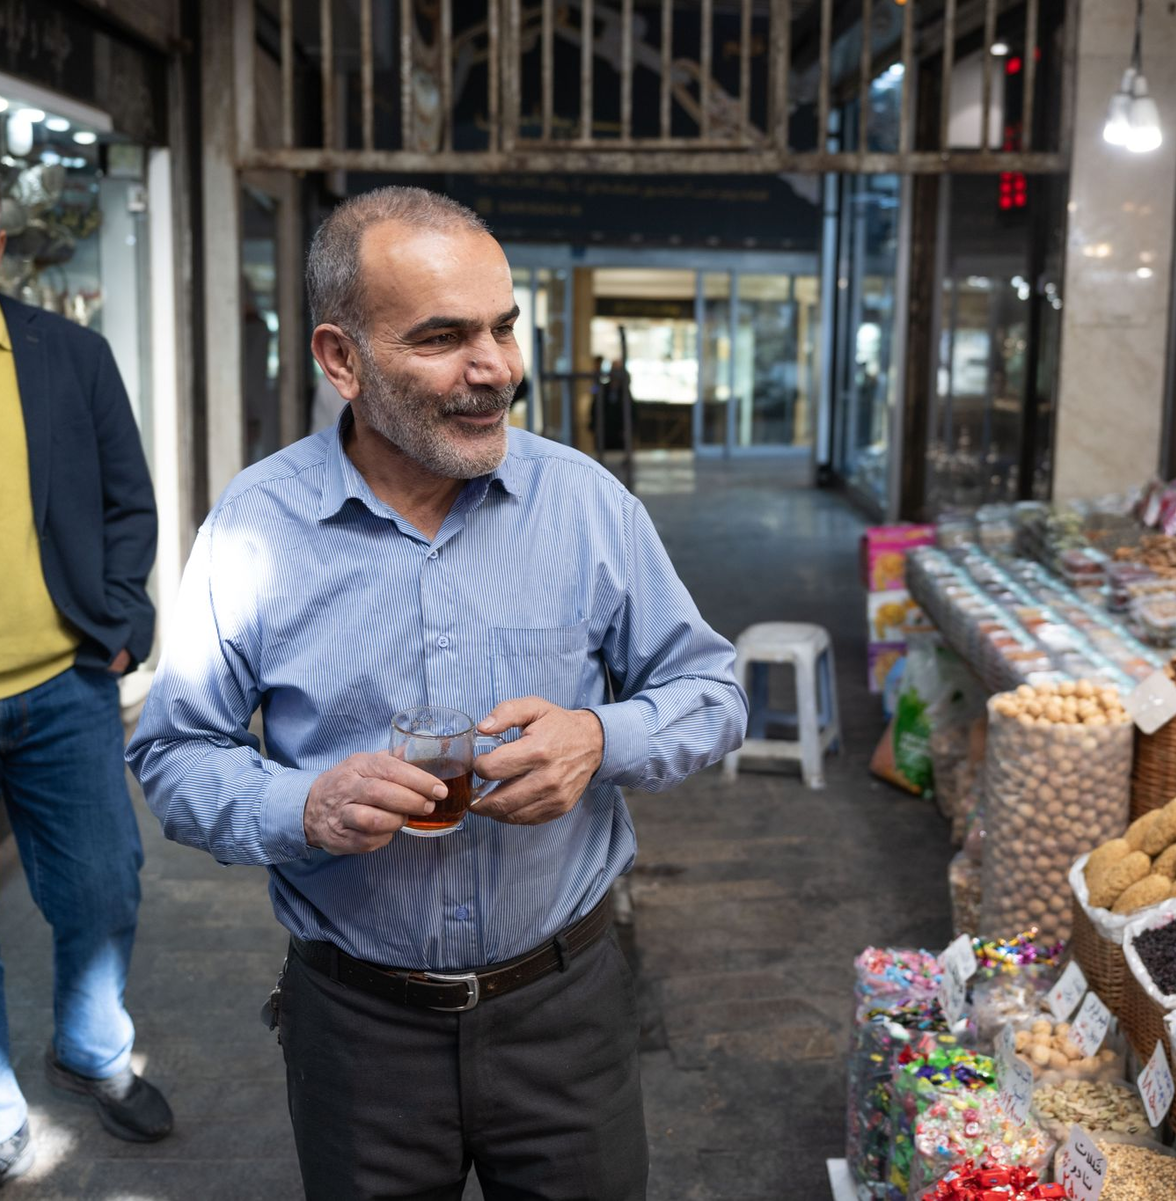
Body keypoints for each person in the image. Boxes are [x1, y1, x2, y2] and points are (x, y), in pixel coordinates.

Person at [126, 186, 745, 1200]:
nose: (496, 365)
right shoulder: (255, 528)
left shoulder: (587, 506)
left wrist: (599, 733)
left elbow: (711, 689)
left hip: (566, 1011)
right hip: (358, 1028)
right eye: (444, 336)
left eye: (504, 326)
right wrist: (303, 804)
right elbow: (171, 753)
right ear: (341, 360)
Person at [0, 230, 172, 1182]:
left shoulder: (70, 354)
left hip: (65, 680)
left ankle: (93, 1051)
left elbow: (126, 502)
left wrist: (122, 619)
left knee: (104, 885)